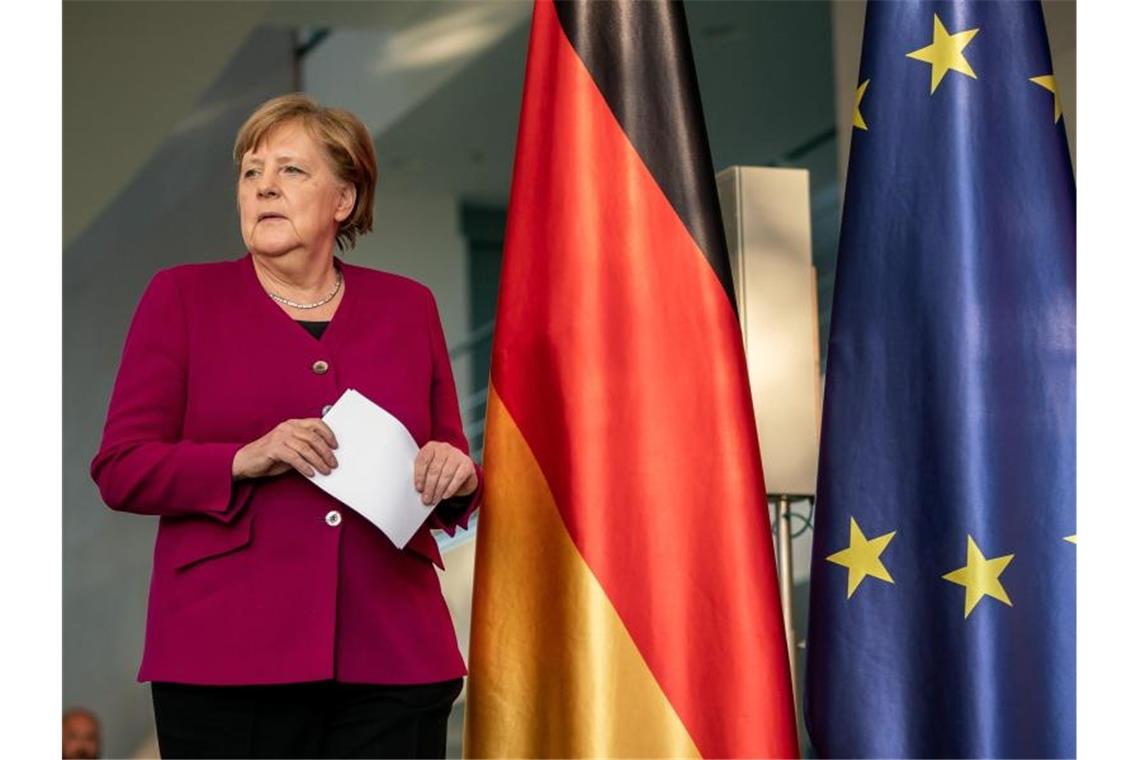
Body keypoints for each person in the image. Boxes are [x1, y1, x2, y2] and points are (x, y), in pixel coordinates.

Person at [90, 93, 481, 759]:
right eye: (251, 172)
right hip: (226, 659)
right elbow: (121, 467)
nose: (264, 185)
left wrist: (457, 473)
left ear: (345, 200)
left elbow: (450, 459)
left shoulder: (408, 306)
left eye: (292, 170)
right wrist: (245, 457)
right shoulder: (182, 297)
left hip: (394, 654)